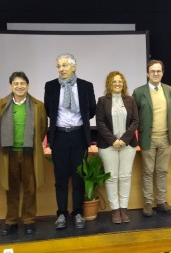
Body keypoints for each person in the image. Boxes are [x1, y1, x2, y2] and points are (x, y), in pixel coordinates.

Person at [44, 53, 96, 230]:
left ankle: (78, 213)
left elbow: (91, 110)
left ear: (74, 67)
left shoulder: (85, 86)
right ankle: (61, 214)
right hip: (59, 137)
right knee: (61, 178)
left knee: (78, 177)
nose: (61, 69)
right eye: (59, 66)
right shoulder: (50, 86)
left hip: (79, 136)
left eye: (65, 65)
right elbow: (48, 110)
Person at [0, 72, 48, 235]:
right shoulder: (1, 105)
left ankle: (29, 220)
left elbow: (42, 128)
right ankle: (11, 221)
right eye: (16, 83)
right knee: (11, 188)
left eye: (22, 83)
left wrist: (30, 144)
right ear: (11, 86)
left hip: (29, 153)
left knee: (30, 188)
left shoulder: (38, 105)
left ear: (28, 85)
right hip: (8, 154)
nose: (19, 86)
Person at [132, 59, 171, 216]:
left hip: (165, 138)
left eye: (159, 71)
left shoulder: (169, 90)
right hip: (147, 139)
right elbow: (134, 117)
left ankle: (162, 202)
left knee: (162, 171)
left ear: (162, 73)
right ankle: (148, 203)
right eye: (153, 71)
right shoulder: (139, 92)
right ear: (147, 73)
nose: (156, 74)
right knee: (147, 171)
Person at [96, 71, 139, 223]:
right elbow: (100, 123)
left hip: (128, 145)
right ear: (109, 83)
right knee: (112, 178)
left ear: (124, 84)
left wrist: (124, 140)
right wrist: (114, 140)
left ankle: (124, 209)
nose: (117, 84)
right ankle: (115, 210)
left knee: (125, 176)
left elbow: (135, 121)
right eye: (114, 81)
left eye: (120, 81)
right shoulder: (102, 101)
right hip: (108, 145)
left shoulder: (130, 100)